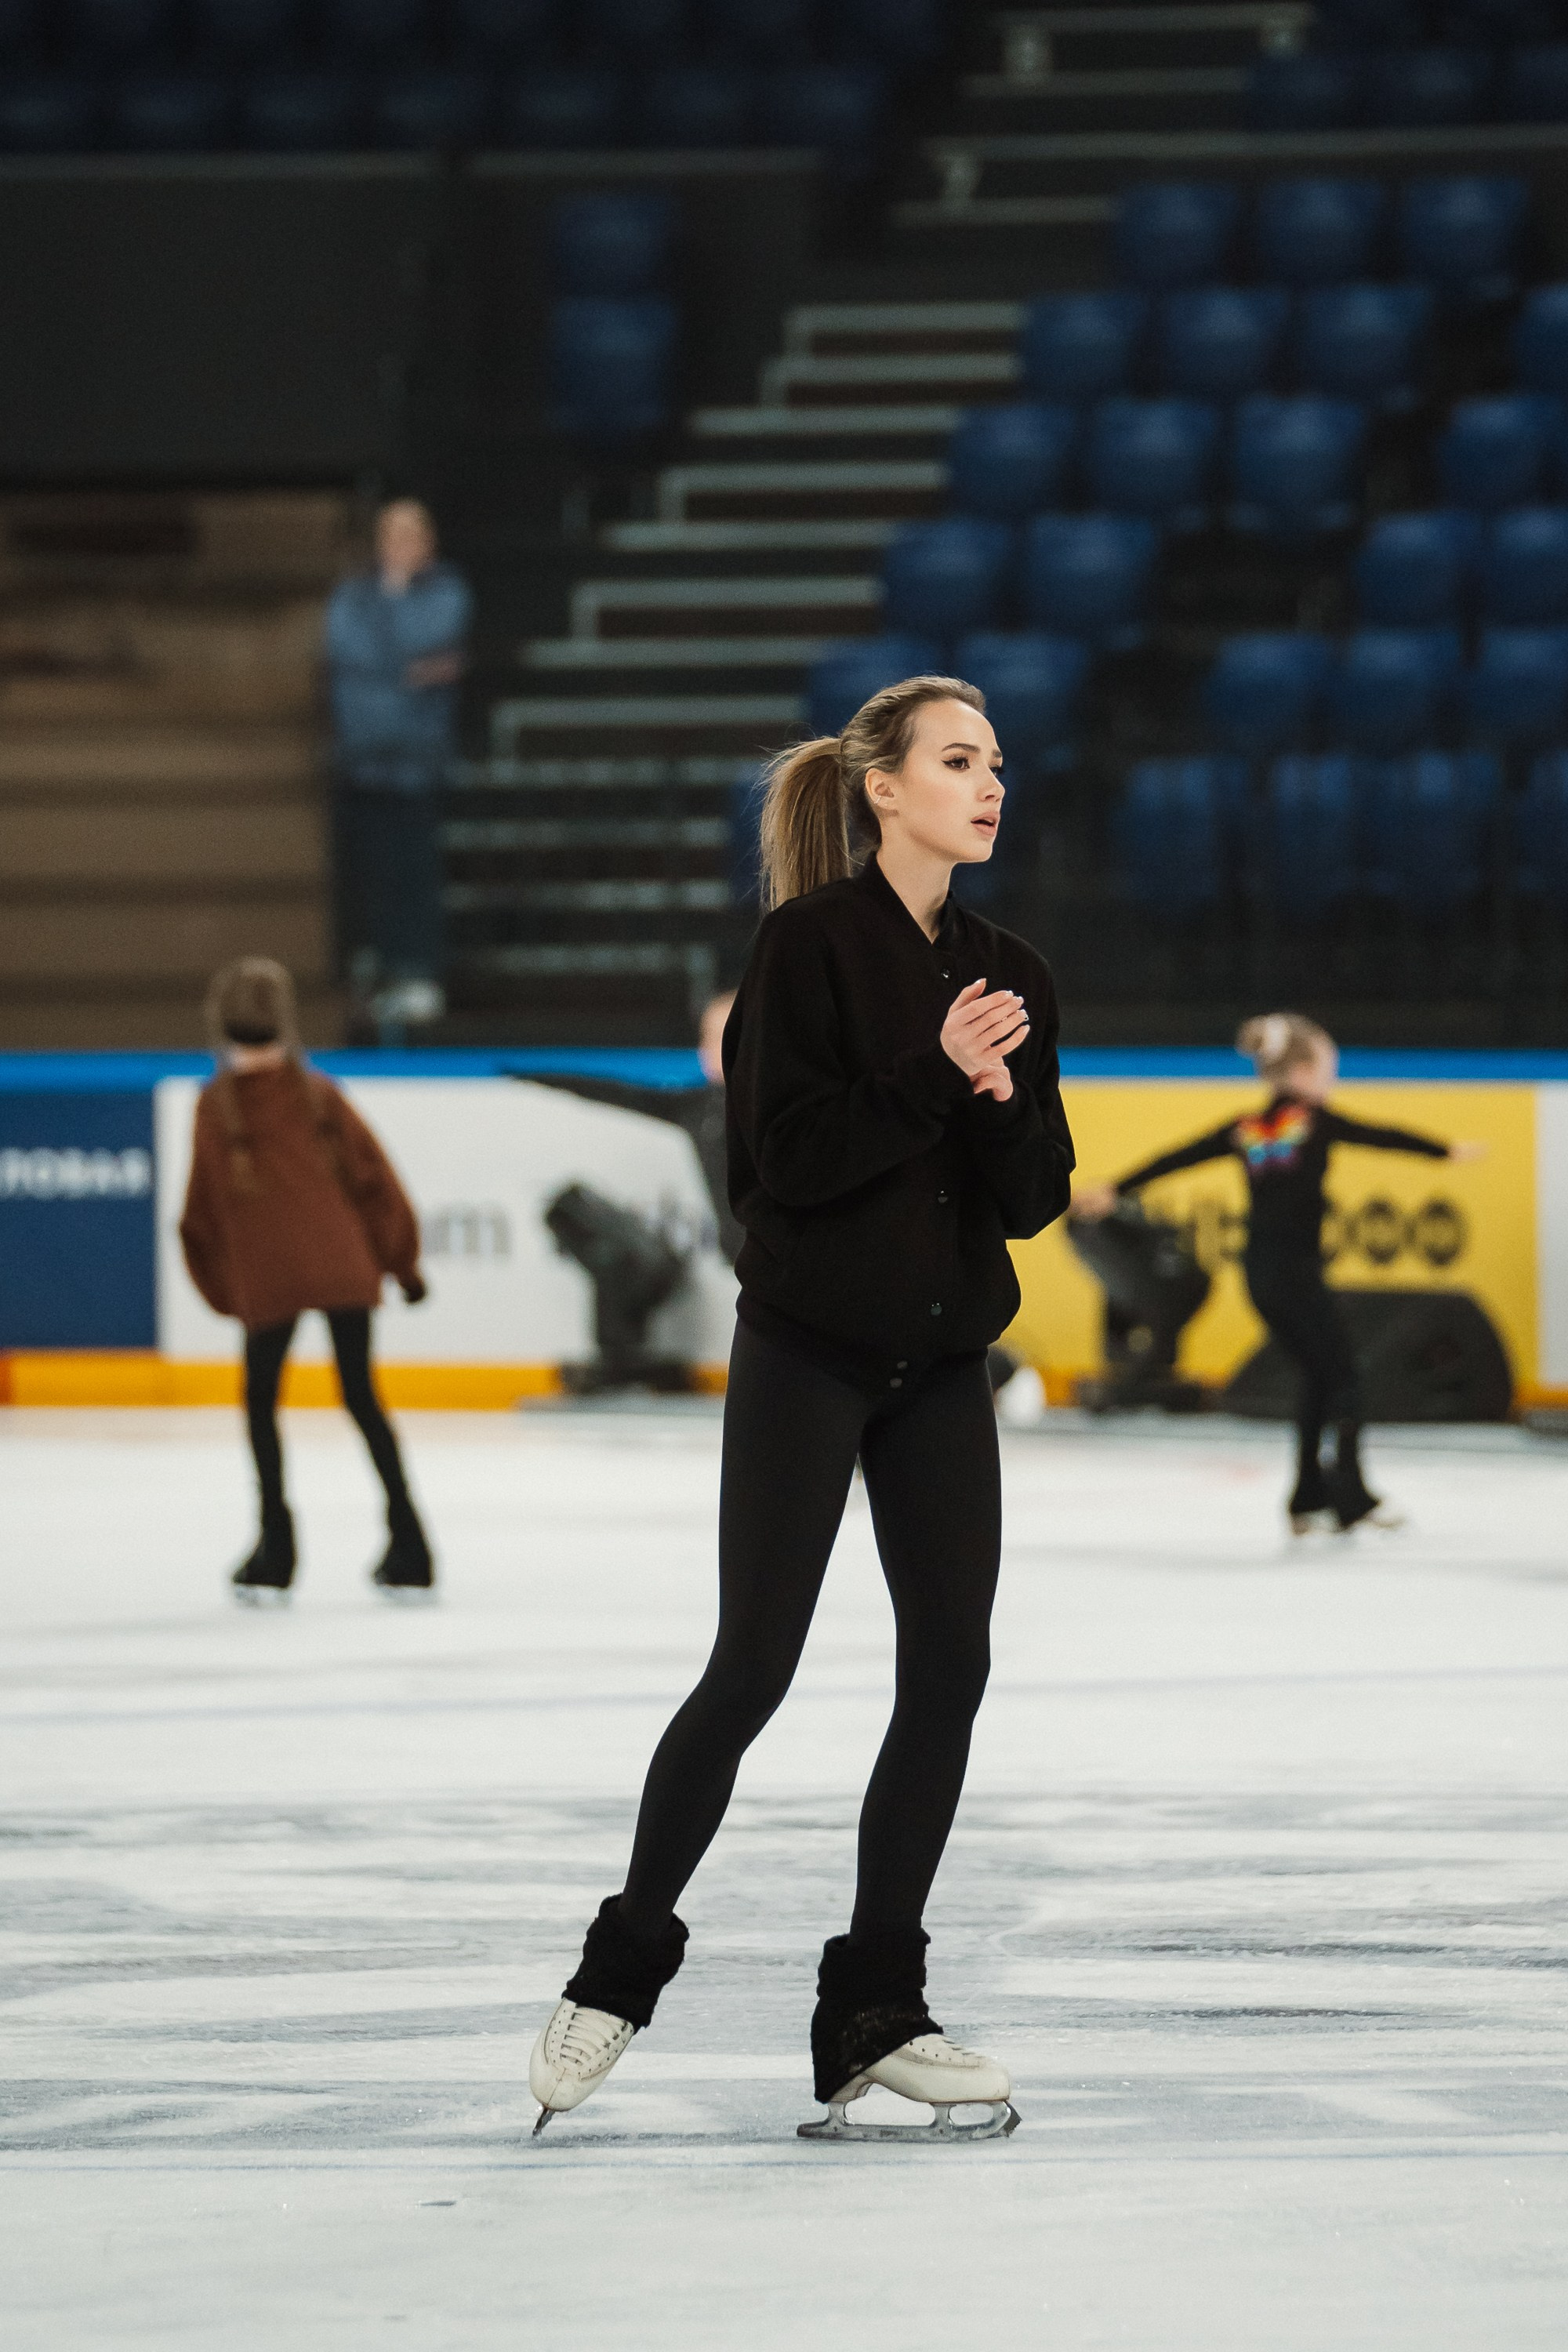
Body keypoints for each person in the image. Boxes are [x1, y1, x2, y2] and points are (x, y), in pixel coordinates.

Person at [527, 673, 1075, 2143]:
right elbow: (781, 1168)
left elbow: (1035, 1199)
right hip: (810, 1357)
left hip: (944, 1368)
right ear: (884, 787)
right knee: (753, 1667)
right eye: (960, 761)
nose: (990, 783)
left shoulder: (1011, 963)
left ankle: (873, 2009)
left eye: (998, 763)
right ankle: (618, 1965)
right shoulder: (807, 948)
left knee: (947, 1670)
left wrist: (1003, 1094)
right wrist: (937, 1071)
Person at [1074, 1011, 1483, 1535]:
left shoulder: (1249, 1129)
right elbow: (1381, 1135)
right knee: (1344, 1379)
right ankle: (1351, 1497)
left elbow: (1179, 1157)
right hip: (1296, 1277)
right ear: (1307, 1069)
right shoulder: (1312, 1122)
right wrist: (1445, 1150)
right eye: (1329, 1068)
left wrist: (1117, 1187)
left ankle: (1307, 1497)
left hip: (1263, 1278)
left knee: (1319, 1376)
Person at [178, 957, 436, 1602]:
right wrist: (402, 1267)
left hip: (270, 1281)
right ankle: (409, 1540)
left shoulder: (216, 1109)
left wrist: (227, 1295)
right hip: (344, 1267)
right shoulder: (318, 1094)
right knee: (362, 1398)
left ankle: (276, 1546)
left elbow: (198, 1217)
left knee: (261, 1403)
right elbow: (376, 1184)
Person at [323, 498, 473, 1028]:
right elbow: (346, 650)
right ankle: (380, 972)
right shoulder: (353, 596)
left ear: (429, 543)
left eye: (413, 534)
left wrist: (388, 665)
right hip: (362, 764)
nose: (402, 545)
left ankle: (419, 972)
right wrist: (408, 672)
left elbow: (424, 640)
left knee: (416, 871)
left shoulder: (447, 591)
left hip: (417, 764)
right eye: (393, 534)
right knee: (372, 874)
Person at [528, 990, 742, 1264]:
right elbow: (623, 1094)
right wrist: (536, 1074)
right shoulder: (696, 1108)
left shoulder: (788, 1110)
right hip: (748, 1264)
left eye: (736, 1036)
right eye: (712, 1038)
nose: (721, 1048)